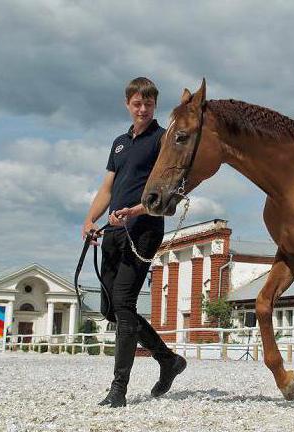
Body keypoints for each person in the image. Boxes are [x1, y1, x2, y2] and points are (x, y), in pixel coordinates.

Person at [82, 77, 186, 408]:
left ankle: (118, 389)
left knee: (125, 304)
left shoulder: (162, 139)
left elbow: (169, 188)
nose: (142, 109)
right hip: (113, 230)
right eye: (137, 104)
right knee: (111, 309)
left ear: (155, 106)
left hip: (143, 230)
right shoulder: (119, 144)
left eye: (149, 104)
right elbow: (107, 189)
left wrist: (137, 210)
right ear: (128, 104)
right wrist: (90, 220)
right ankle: (167, 360)